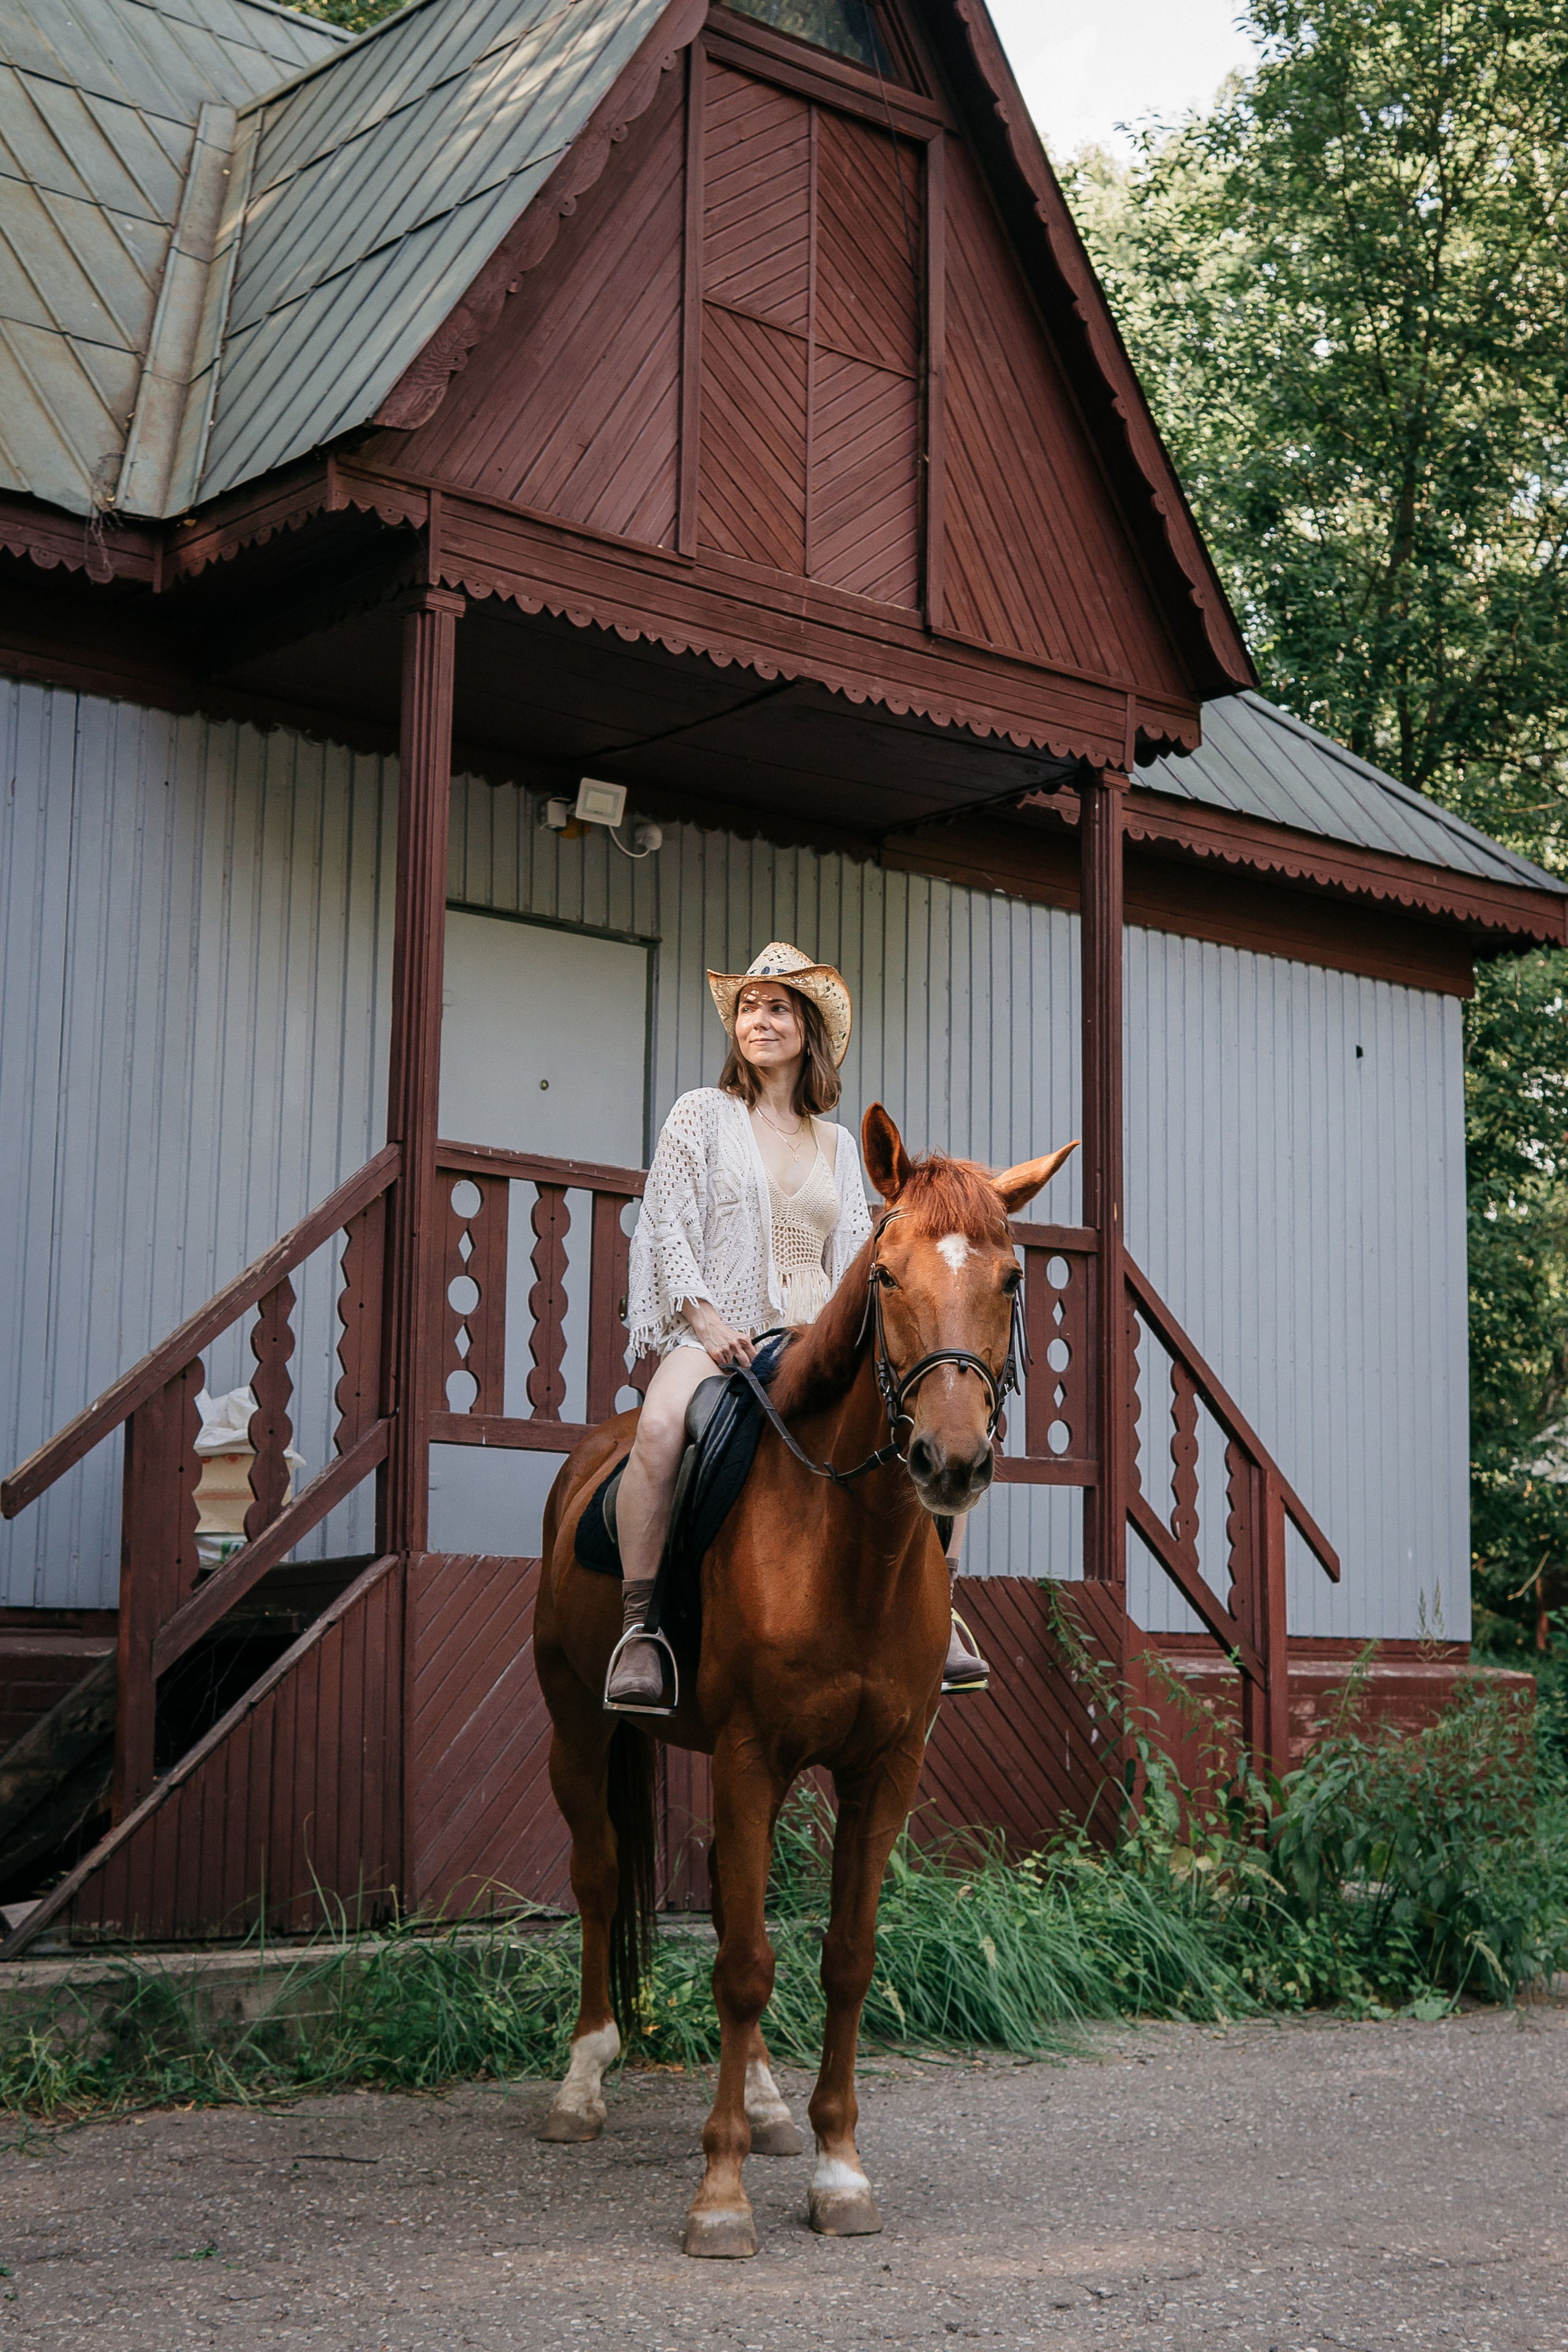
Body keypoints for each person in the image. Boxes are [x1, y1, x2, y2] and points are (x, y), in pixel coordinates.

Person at [606, 941, 990, 1713]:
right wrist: (705, 1318)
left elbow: (854, 1251)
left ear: (808, 1030)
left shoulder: (840, 1144)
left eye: (777, 1007)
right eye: (749, 1007)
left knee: (932, 1422)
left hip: (815, 1337)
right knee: (654, 1431)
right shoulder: (701, 1115)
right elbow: (667, 1224)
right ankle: (640, 1628)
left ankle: (937, 1610)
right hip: (720, 1337)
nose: (760, 1020)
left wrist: (848, 1336)